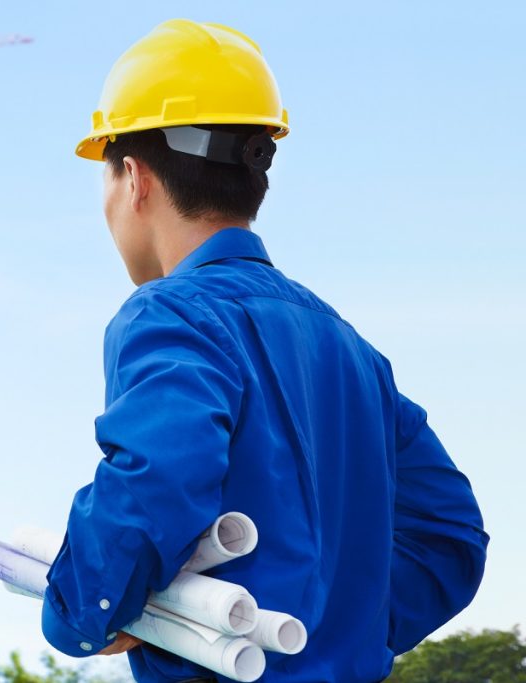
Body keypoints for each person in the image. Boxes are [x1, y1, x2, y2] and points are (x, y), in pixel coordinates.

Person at [41, 19, 488, 682]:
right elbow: (450, 534)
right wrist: (338, 626)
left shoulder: (171, 312)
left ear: (133, 177)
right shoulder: (349, 348)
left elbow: (156, 481)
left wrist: (82, 610)